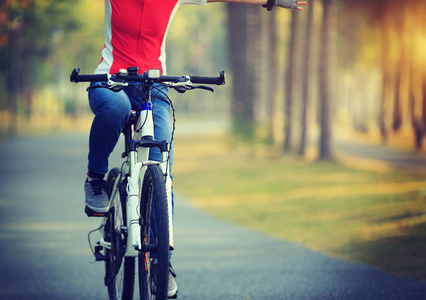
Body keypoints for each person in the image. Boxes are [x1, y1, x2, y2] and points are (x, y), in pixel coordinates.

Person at [84, 0, 306, 298]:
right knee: (116, 108)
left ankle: (162, 258)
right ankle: (96, 178)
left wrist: (271, 0)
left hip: (153, 86)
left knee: (161, 160)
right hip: (111, 81)